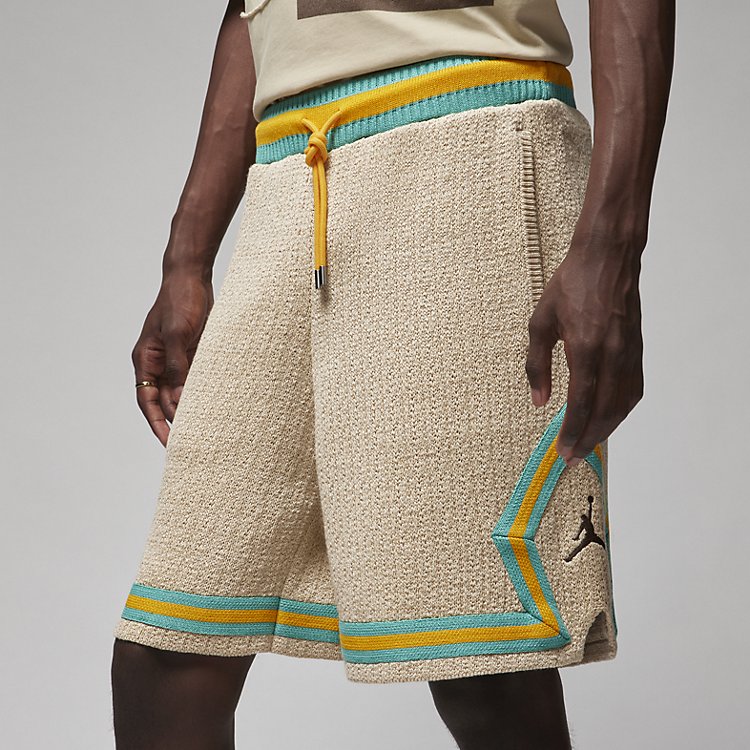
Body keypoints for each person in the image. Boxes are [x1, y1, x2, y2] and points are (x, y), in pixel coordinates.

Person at [110, 1, 674, 748]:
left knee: (482, 656)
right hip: (288, 175)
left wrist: (612, 245)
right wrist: (186, 257)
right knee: (167, 650)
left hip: (470, 144)